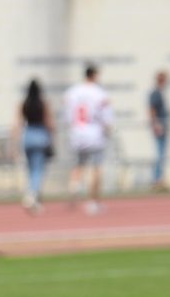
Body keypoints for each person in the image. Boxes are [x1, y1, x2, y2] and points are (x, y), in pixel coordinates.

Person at [63, 64, 113, 215]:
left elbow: (67, 113)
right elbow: (106, 115)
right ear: (94, 75)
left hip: (77, 132)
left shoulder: (73, 92)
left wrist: (73, 127)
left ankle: (74, 186)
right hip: (94, 133)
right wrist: (108, 128)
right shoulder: (99, 93)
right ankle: (93, 201)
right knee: (96, 167)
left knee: (79, 164)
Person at [15, 79, 54, 214]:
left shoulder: (23, 104)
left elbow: (18, 123)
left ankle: (32, 194)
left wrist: (15, 142)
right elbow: (49, 123)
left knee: (31, 169)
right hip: (40, 135)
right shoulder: (43, 104)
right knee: (38, 169)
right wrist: (52, 138)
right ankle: (32, 195)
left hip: (28, 136)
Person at [148, 70, 170, 192]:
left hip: (163, 126)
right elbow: (152, 109)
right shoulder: (156, 93)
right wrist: (156, 124)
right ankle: (157, 179)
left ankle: (159, 179)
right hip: (160, 127)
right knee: (160, 154)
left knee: (162, 154)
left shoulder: (160, 92)